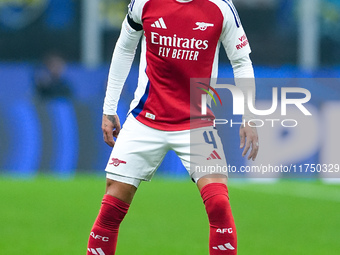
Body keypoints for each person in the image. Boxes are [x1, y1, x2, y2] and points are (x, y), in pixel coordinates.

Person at [87, 0, 259, 254]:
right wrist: (109, 107)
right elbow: (124, 48)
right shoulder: (144, 2)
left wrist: (250, 117)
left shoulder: (220, 6)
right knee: (111, 206)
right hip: (145, 119)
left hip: (196, 123)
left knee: (219, 204)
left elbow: (241, 61)